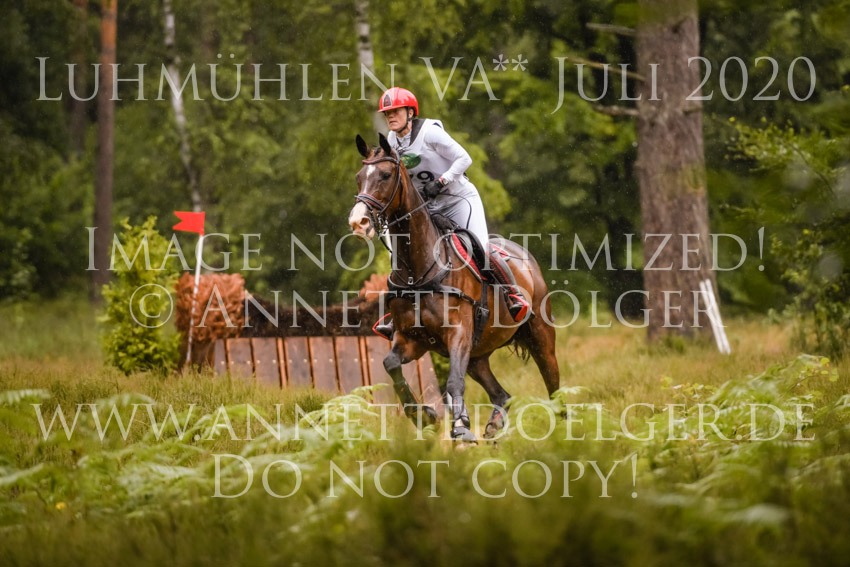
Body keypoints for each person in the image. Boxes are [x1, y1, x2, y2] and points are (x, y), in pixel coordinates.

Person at [373, 87, 530, 340]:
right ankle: (397, 314)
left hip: (458, 199)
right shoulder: (391, 141)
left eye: (396, 111)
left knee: (480, 248)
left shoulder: (430, 132)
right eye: (387, 113)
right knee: (402, 252)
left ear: (410, 112)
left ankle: (513, 294)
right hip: (427, 206)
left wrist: (441, 181)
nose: (390, 116)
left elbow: (464, 158)